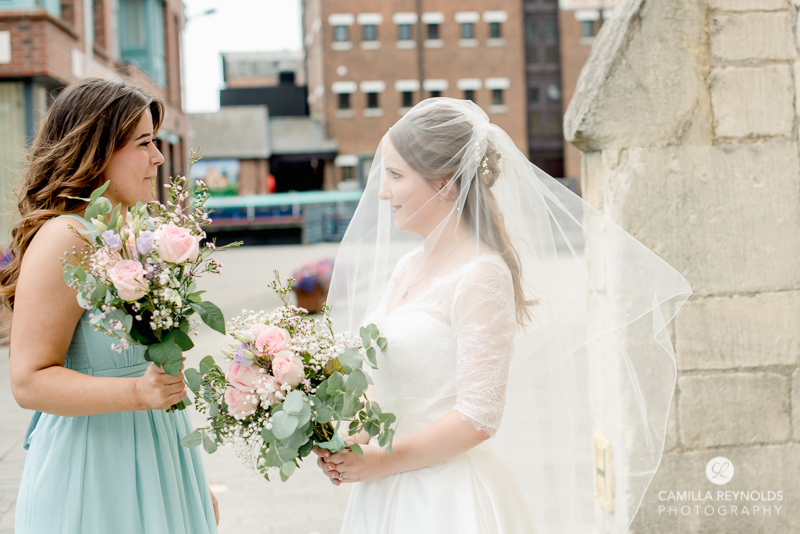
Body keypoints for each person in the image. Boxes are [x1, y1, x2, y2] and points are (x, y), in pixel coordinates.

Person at [318, 98, 692, 533]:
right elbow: (385, 381)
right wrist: (352, 443)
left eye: (396, 175)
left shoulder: (481, 275)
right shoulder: (407, 266)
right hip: (381, 495)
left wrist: (382, 462)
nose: (382, 191)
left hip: (446, 499)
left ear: (445, 185)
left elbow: (478, 417)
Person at [2, 78, 219, 534]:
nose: (158, 158)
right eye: (143, 143)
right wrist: (136, 394)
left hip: (158, 455)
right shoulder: (67, 236)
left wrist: (189, 485)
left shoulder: (130, 234)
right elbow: (27, 380)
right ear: (96, 150)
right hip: (96, 472)